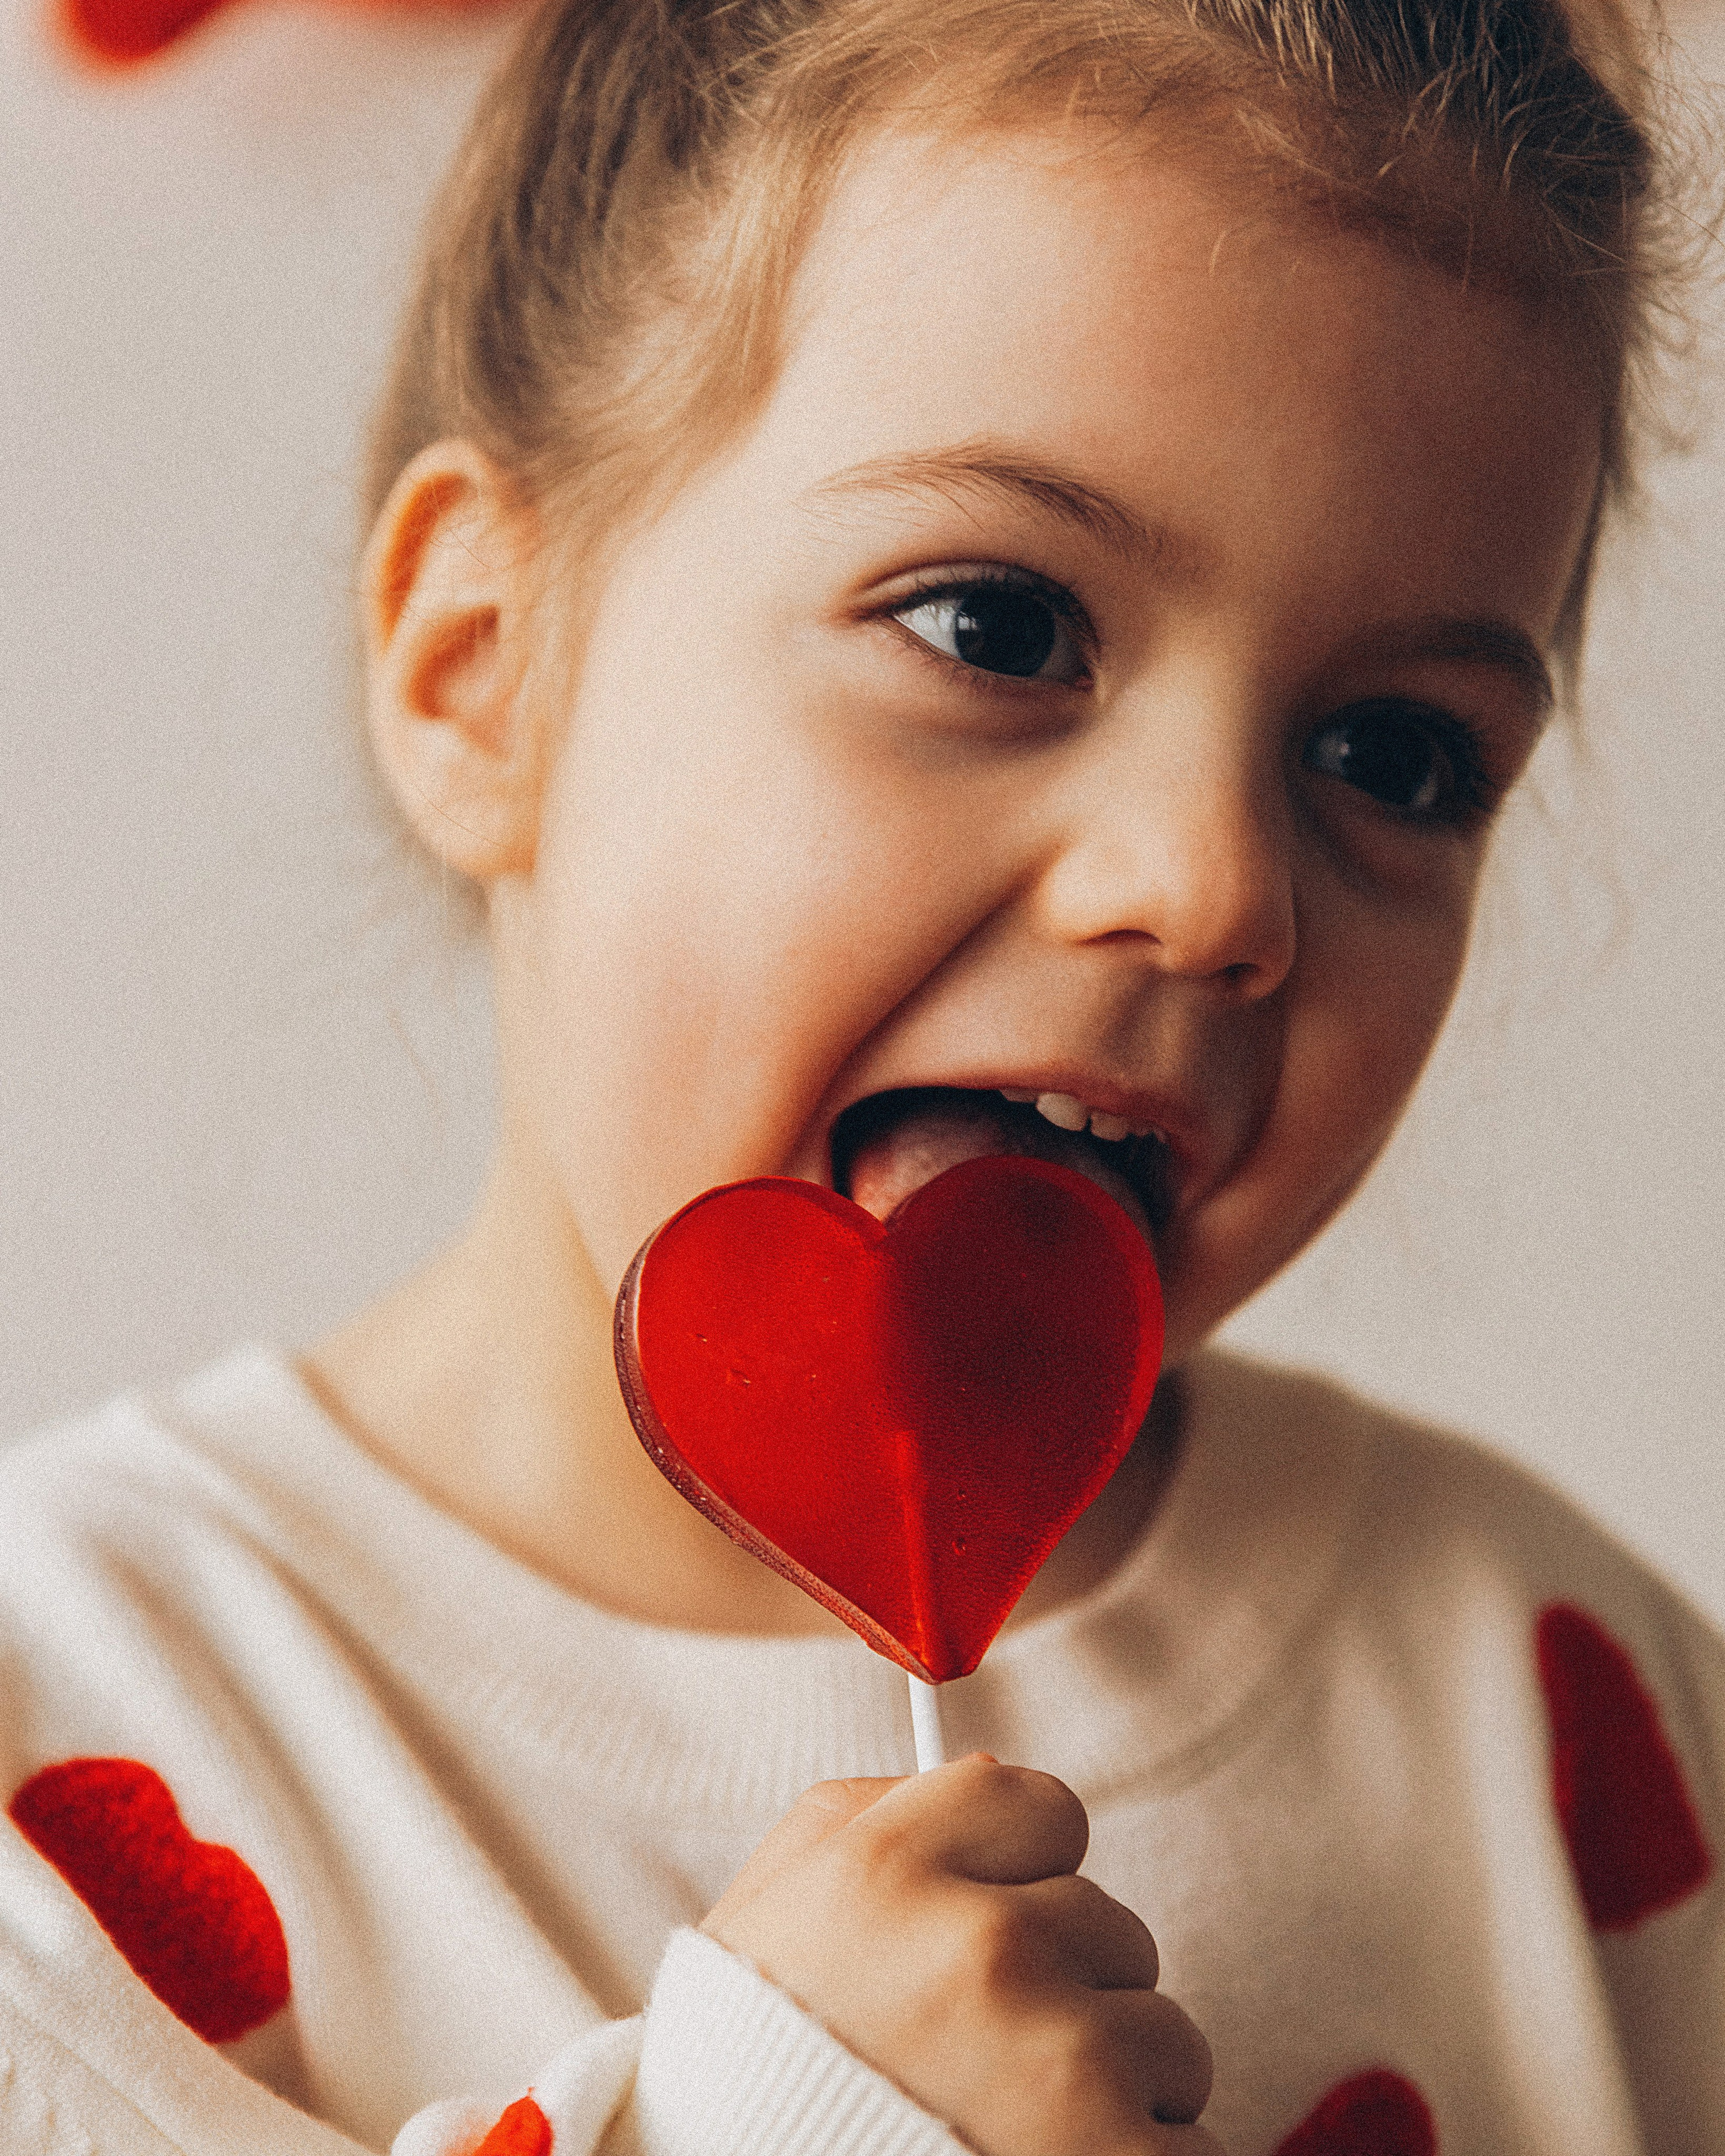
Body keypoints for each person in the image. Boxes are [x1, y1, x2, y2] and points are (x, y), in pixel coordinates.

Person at [2, 0, 1719, 2149]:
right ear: (484, 673)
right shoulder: (62, 1751)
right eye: (998, 626)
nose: (1211, 890)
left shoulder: (1567, 1713)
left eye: (1395, 756)